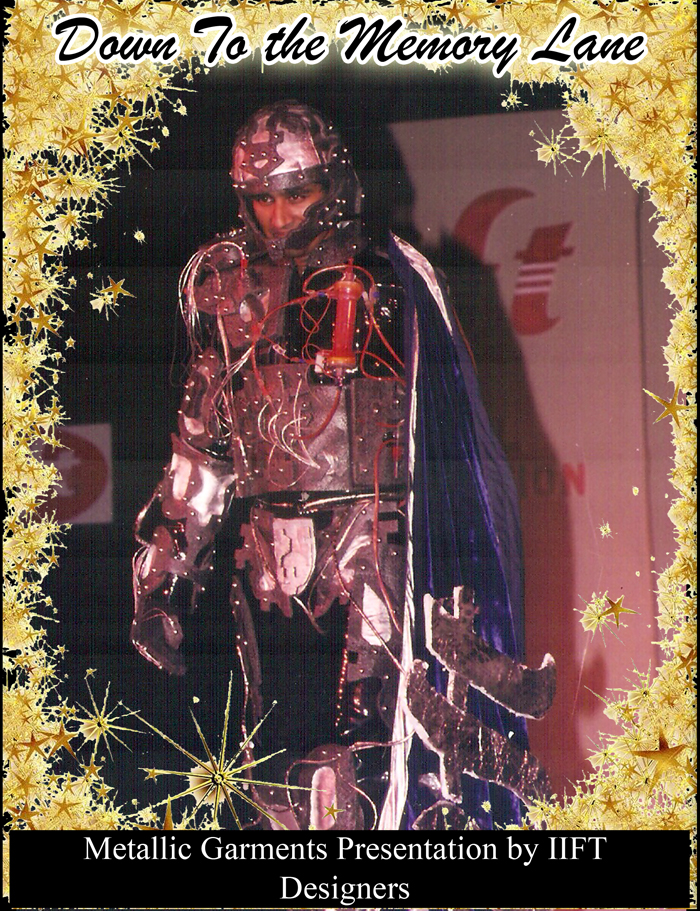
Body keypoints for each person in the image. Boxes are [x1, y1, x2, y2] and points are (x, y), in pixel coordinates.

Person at [131, 100, 555, 830]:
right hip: (266, 561)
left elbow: (440, 430)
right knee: (274, 768)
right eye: (261, 198)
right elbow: (203, 447)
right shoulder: (230, 295)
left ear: (332, 184)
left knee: (369, 764)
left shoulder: (387, 277)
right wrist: (165, 574)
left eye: (295, 193)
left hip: (371, 548)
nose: (278, 216)